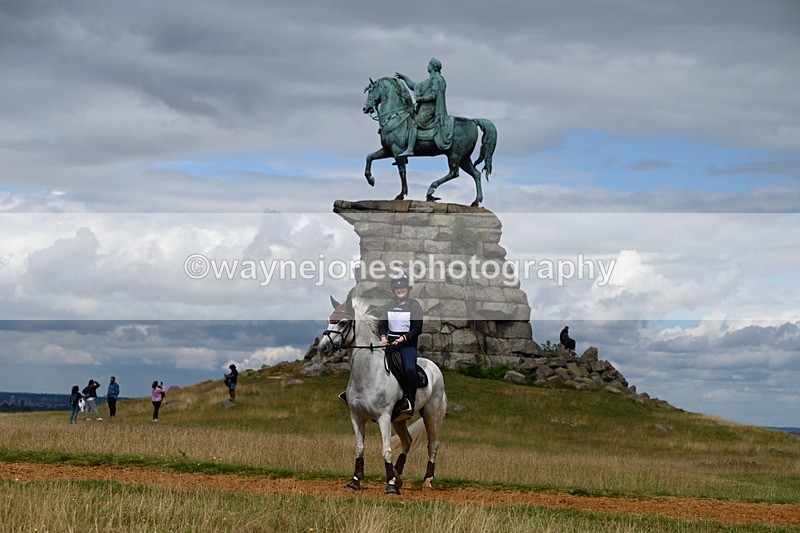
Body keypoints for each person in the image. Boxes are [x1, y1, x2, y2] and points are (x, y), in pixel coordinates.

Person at [379, 273, 424, 419]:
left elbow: (417, 329)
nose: (400, 290)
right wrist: (383, 337)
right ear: (393, 290)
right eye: (397, 288)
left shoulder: (414, 306)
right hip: (389, 344)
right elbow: (382, 325)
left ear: (408, 289)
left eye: (402, 287)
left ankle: (409, 399)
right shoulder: (388, 306)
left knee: (410, 369)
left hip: (407, 345)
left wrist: (402, 339)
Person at [394, 57, 452, 156]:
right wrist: (405, 78)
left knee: (413, 123)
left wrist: (422, 99)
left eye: (429, 65)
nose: (427, 66)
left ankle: (410, 149)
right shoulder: (429, 80)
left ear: (433, 67)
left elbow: (434, 95)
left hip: (430, 110)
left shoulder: (437, 79)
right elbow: (415, 86)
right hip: (423, 108)